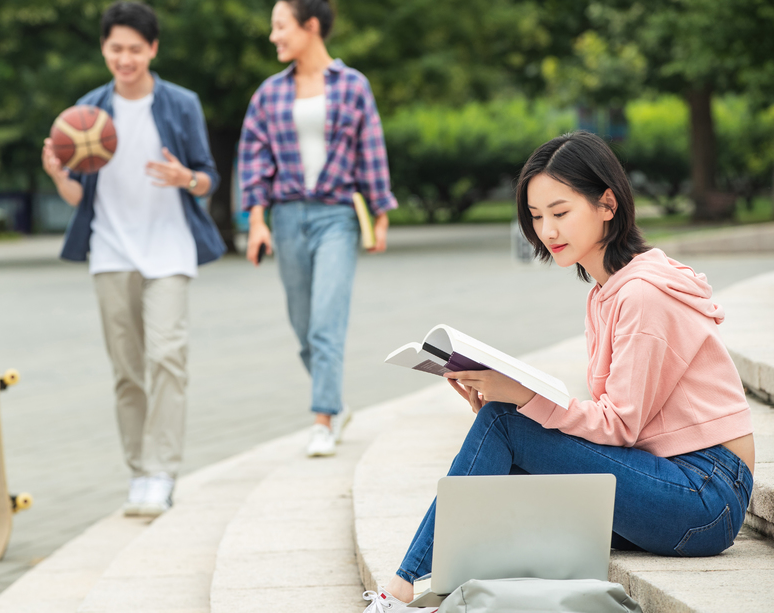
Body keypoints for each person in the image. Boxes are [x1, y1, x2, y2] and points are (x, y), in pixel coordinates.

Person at [363, 131, 755, 612]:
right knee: (509, 438)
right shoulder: (606, 292)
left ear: (607, 204)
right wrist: (509, 396)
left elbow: (620, 425)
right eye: (536, 216)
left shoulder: (642, 296)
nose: (547, 230)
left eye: (560, 212)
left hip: (706, 495)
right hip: (674, 480)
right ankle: (447, 593)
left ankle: (402, 591)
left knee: (506, 423)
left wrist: (523, 401)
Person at [42, 1, 224, 517]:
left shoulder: (180, 103)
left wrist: (184, 178)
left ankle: (162, 470)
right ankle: (138, 472)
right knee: (126, 371)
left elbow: (208, 175)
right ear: (104, 49)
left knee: (167, 357)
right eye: (116, 48)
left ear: (153, 50)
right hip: (111, 252)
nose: (125, 58)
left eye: (135, 49)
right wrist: (59, 176)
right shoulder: (87, 112)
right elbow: (79, 196)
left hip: (169, 252)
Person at [239, 0, 398, 458]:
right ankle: (337, 404)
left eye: (280, 26)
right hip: (287, 216)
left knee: (327, 321)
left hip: (336, 216)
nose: (274, 36)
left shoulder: (353, 86)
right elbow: (253, 161)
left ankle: (323, 419)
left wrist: (381, 213)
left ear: (310, 26)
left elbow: (371, 149)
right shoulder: (269, 93)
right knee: (304, 326)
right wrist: (256, 223)